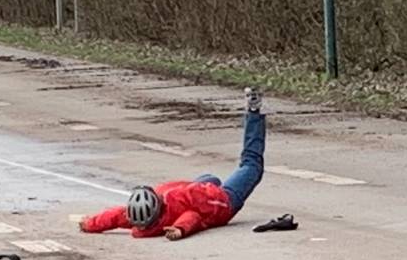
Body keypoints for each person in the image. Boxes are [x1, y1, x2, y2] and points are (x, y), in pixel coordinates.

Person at [78, 88, 271, 239]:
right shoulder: (168, 214)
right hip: (223, 200)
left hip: (194, 190)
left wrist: (90, 223)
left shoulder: (142, 218)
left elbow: (114, 216)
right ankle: (254, 112)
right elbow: (192, 216)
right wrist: (180, 229)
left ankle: (209, 182)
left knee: (211, 178)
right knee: (251, 165)